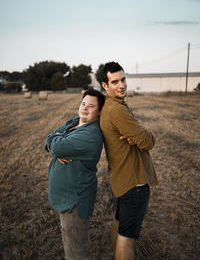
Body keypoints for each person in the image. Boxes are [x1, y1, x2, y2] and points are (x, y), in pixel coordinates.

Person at [99, 62, 158, 260]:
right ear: (105, 86)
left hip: (122, 181)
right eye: (114, 81)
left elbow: (141, 138)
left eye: (123, 79)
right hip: (134, 183)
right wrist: (141, 132)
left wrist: (138, 133)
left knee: (119, 225)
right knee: (127, 239)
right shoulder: (117, 110)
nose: (121, 85)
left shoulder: (110, 107)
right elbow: (148, 141)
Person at [44, 88, 105, 260]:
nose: (84, 108)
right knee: (69, 245)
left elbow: (56, 144)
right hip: (66, 197)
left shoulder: (91, 135)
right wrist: (56, 146)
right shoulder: (74, 123)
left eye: (91, 106)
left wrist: (57, 146)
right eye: (83, 104)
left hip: (75, 202)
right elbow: (50, 138)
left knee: (77, 253)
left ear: (99, 111)